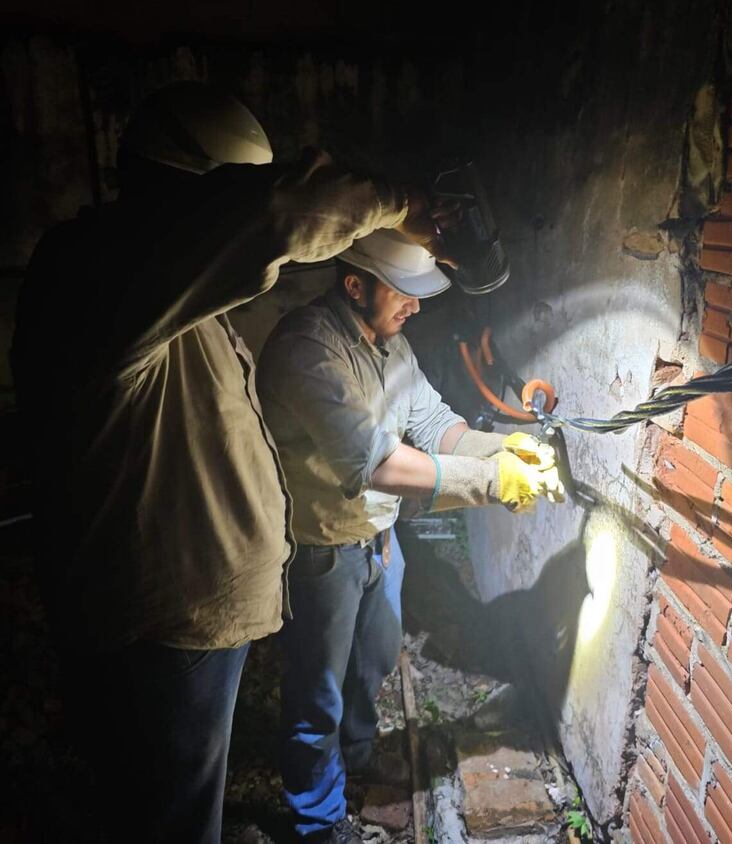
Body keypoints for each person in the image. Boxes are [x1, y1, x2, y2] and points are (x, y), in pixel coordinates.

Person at [9, 81, 455, 844]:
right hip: (165, 620)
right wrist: (398, 200)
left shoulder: (155, 295)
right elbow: (272, 217)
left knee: (179, 791)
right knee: (169, 807)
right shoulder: (112, 273)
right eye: (228, 195)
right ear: (188, 196)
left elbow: (425, 417)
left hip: (187, 613)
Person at [258, 228, 564, 842]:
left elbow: (434, 423)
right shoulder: (308, 350)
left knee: (372, 662)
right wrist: (490, 481)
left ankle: (361, 758)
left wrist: (507, 447)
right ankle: (317, 818)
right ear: (354, 285)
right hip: (320, 549)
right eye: (404, 292)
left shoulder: (391, 346)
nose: (416, 305)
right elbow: (373, 463)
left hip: (379, 540)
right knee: (317, 689)